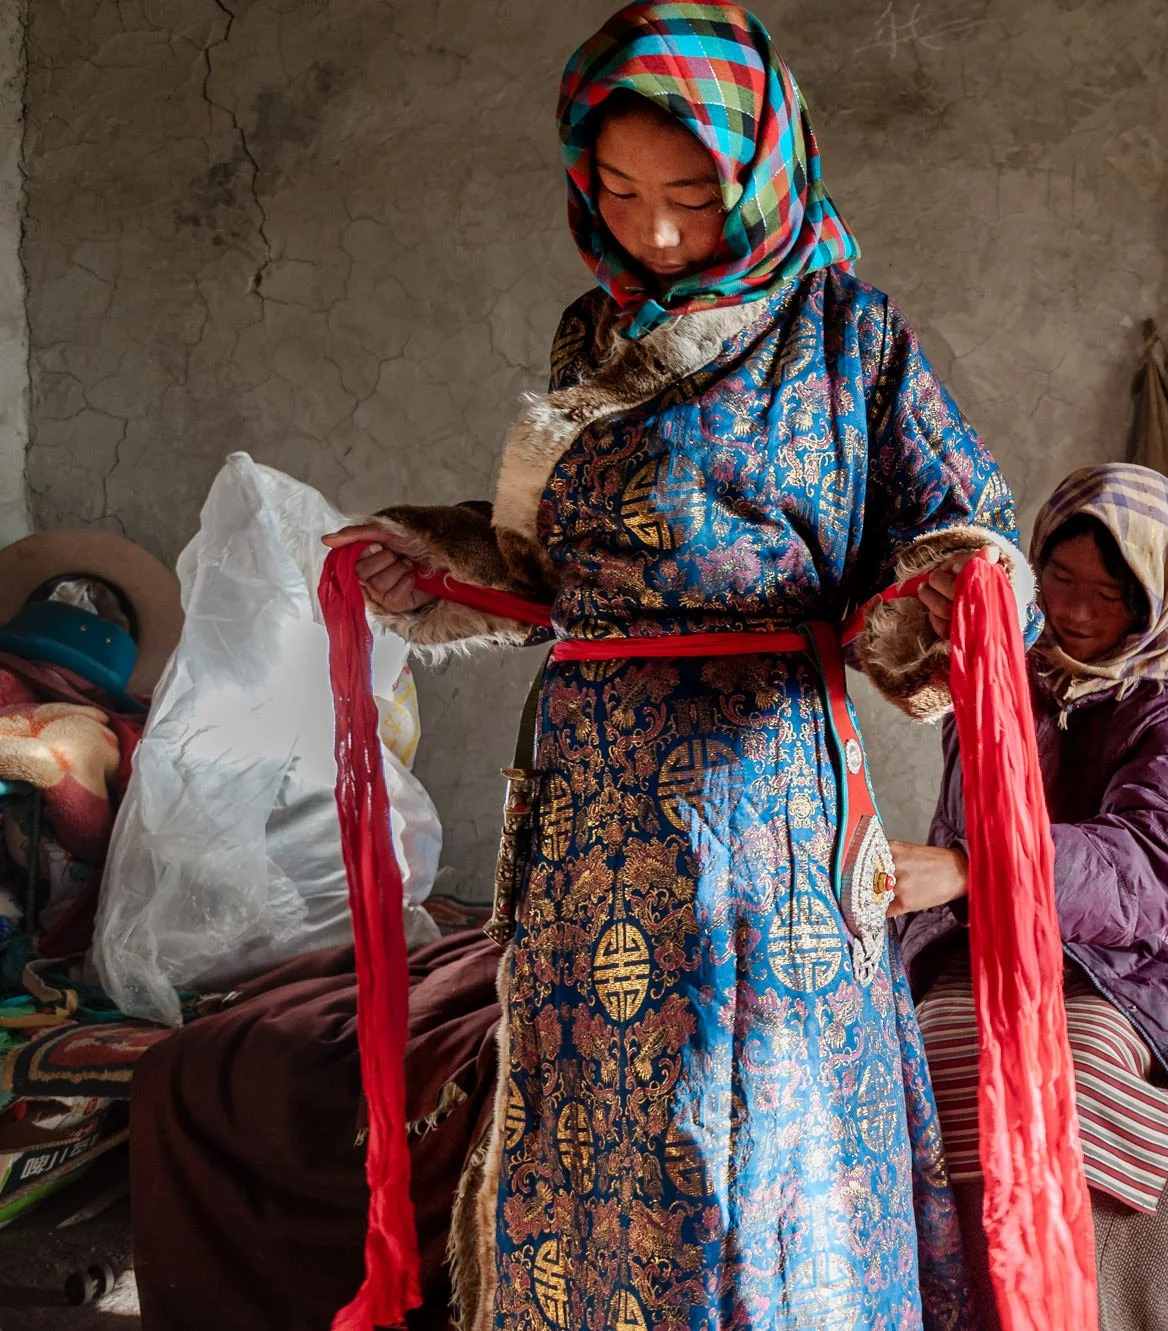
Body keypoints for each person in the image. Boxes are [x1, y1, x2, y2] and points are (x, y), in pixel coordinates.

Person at [268, 5, 1030, 1327]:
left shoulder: (848, 334)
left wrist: (948, 590)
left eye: (691, 194)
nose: (658, 231)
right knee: (593, 1123)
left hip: (762, 812)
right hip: (591, 813)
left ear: (762, 169)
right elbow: (549, 557)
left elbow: (978, 540)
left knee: (752, 1126)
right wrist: (425, 559)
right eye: (619, 191)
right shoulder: (591, 337)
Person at [892, 463, 1168, 1331]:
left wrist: (975, 866)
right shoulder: (1002, 654)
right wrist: (964, 623)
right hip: (990, 923)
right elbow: (972, 776)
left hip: (1130, 947)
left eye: (1109, 595)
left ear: (1153, 604)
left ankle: (1082, 1304)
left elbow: (1146, 865)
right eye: (1058, 579)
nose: (1077, 612)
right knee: (926, 1051)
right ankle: (952, 1299)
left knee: (1075, 1066)